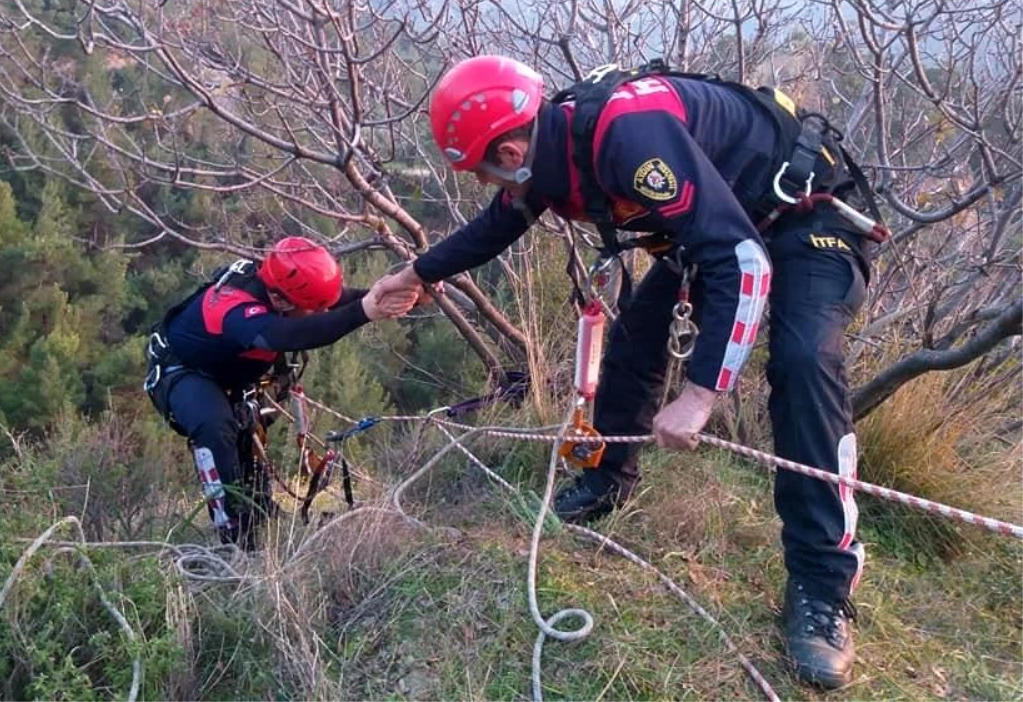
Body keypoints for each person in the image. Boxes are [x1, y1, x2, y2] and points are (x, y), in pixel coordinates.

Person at [376, 55, 881, 689]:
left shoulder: (626, 137)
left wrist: (700, 394)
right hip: (722, 224)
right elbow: (495, 226)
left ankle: (822, 586)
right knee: (636, 341)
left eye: (482, 170)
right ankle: (608, 478)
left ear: (509, 150)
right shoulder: (553, 149)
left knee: (805, 361)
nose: (485, 184)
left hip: (808, 218)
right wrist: (413, 276)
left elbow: (743, 262)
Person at [144, 237, 418, 548]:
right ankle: (234, 535)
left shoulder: (282, 287)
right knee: (215, 428)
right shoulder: (233, 308)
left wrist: (391, 292)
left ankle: (262, 511)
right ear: (283, 302)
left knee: (249, 433)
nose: (319, 312)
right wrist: (365, 311)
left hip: (228, 372)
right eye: (312, 308)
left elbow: (333, 300)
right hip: (182, 371)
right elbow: (287, 335)